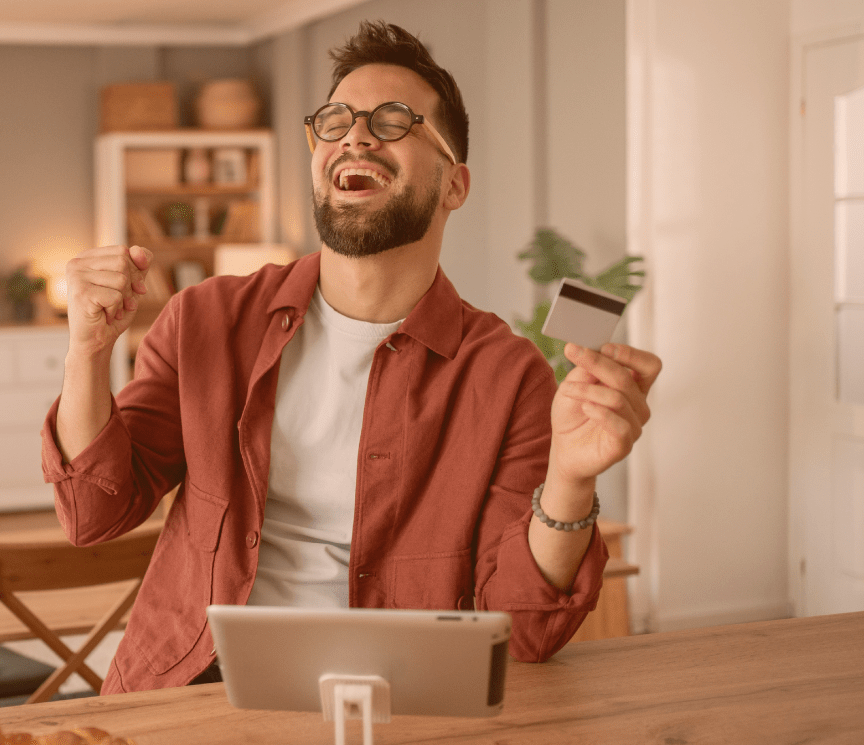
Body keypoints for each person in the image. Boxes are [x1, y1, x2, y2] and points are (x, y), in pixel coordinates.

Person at [39, 20, 662, 694]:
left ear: (454, 185)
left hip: (389, 699)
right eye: (335, 120)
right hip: (196, 688)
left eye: (395, 121)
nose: (355, 136)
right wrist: (87, 350)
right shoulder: (206, 321)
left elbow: (526, 628)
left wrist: (570, 477)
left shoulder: (506, 376)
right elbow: (92, 514)